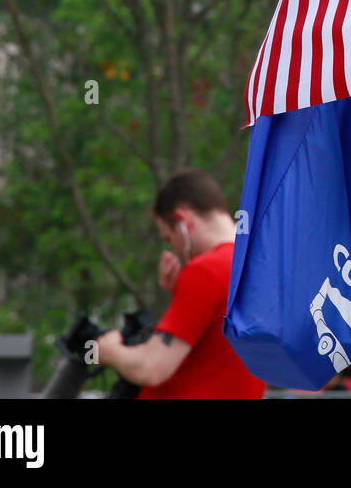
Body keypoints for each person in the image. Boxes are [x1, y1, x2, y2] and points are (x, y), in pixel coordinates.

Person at [96, 170, 266, 398]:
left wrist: (109, 351)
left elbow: (152, 367)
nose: (175, 249)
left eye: (169, 237)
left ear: (183, 221)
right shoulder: (261, 266)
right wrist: (182, 294)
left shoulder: (206, 270)